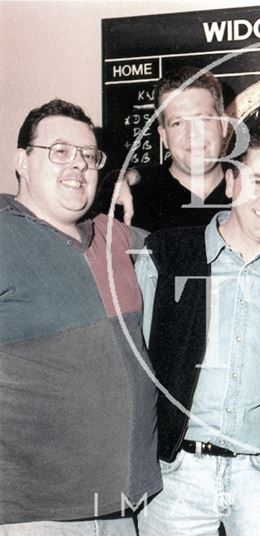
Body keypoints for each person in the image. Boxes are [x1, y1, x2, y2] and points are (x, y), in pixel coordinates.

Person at [136, 126, 260, 535]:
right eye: (259, 182)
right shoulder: (166, 255)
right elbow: (133, 364)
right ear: (231, 182)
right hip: (175, 476)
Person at [0, 99, 160, 534]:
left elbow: (193, 244)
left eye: (89, 156)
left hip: (122, 507)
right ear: (22, 162)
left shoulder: (113, 236)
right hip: (36, 512)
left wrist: (129, 178)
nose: (77, 165)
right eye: (60, 151)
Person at [101, 66, 230, 231]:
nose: (192, 134)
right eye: (177, 123)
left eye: (203, 120)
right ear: (164, 137)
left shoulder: (254, 193)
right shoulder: (131, 200)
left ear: (224, 126)